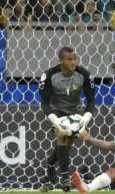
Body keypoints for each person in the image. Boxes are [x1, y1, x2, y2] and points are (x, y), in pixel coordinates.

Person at [39, 46, 95, 192]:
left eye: (74, 58)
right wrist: (55, 120)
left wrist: (85, 119)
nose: (73, 62)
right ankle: (65, 178)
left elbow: (91, 101)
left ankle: (50, 165)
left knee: (67, 144)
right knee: (62, 138)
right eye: (69, 59)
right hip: (57, 110)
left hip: (75, 112)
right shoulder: (50, 75)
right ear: (61, 60)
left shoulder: (84, 75)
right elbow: (44, 103)